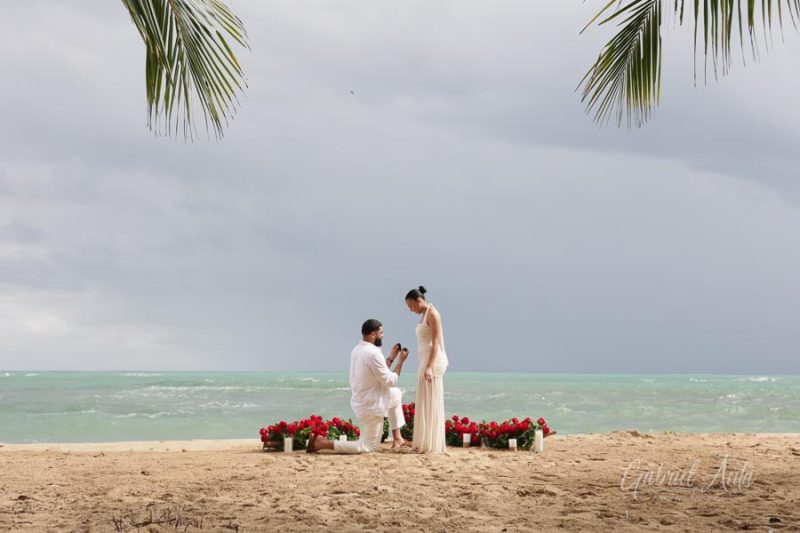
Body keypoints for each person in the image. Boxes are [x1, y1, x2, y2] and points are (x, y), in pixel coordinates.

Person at [307, 319, 408, 453]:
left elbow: (377, 373)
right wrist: (400, 362)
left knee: (396, 393)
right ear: (373, 335)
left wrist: (391, 357)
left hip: (362, 402)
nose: (383, 335)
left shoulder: (358, 349)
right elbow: (390, 381)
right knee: (369, 447)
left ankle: (397, 438)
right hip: (371, 406)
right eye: (381, 333)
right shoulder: (373, 353)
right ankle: (323, 443)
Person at [405, 286, 449, 453]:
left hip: (432, 361)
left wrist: (429, 366)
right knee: (424, 401)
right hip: (424, 360)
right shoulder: (424, 315)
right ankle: (423, 442)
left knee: (431, 401)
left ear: (419, 300)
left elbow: (436, 341)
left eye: (411, 306)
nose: (411, 310)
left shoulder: (433, 314)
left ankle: (432, 444)